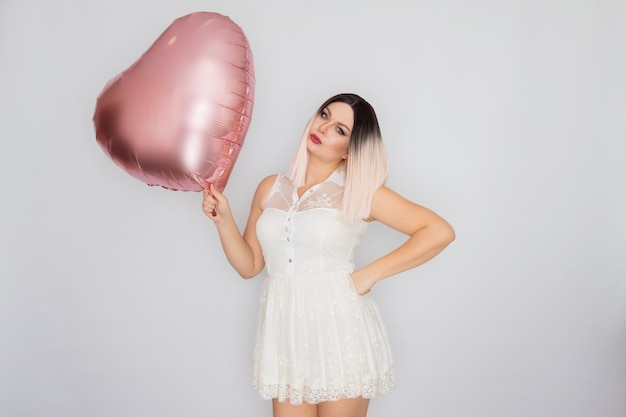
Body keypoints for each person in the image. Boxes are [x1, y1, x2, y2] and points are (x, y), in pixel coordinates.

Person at [202, 93, 455, 417]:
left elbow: (438, 231)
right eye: (324, 115)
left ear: (351, 149)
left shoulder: (360, 192)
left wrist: (368, 275)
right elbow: (250, 266)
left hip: (339, 327)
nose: (324, 127)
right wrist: (223, 221)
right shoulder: (270, 187)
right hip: (286, 331)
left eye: (340, 129)